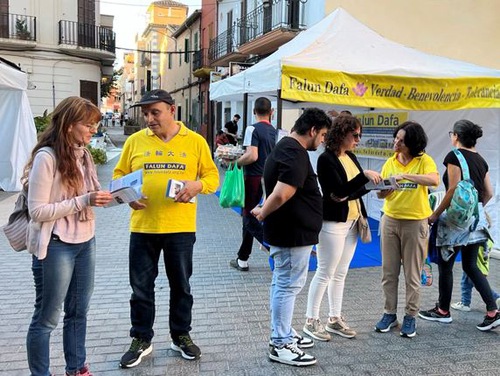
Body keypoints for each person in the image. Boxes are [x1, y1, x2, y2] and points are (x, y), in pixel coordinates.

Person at [113, 89, 219, 368]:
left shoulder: (195, 142)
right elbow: (119, 174)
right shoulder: (135, 142)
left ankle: (181, 335)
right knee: (141, 289)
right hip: (143, 227)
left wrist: (197, 185)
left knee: (181, 286)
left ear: (172, 110)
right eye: (145, 113)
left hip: (180, 227)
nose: (149, 118)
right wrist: (127, 195)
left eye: (154, 112)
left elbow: (211, 176)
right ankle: (141, 339)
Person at [24, 96, 113, 376]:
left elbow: (89, 195)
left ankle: (77, 369)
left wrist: (116, 195)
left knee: (78, 313)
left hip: (86, 241)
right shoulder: (46, 157)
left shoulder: (83, 154)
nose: (93, 131)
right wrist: (84, 200)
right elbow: (37, 211)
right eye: (88, 125)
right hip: (56, 245)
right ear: (69, 125)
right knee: (47, 318)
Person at [251, 108, 332, 367]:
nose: (322, 141)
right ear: (312, 131)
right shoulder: (293, 151)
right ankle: (280, 343)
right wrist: (263, 212)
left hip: (293, 232)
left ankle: (283, 332)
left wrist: (264, 208)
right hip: (291, 233)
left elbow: (276, 188)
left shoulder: (286, 148)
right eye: (322, 135)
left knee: (283, 284)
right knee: (287, 285)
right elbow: (283, 192)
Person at [303, 115, 382, 341]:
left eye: (360, 135)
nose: (358, 139)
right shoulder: (326, 159)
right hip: (333, 222)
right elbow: (336, 193)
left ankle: (334, 318)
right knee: (325, 271)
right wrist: (362, 178)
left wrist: (374, 184)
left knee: (340, 273)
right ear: (341, 134)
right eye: (355, 135)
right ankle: (311, 320)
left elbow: (353, 191)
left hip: (353, 221)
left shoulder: (351, 156)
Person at [419, 119, 500, 331]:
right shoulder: (481, 160)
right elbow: (489, 192)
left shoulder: (454, 156)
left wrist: (435, 215)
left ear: (456, 136)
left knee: (446, 266)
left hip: (454, 223)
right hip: (476, 222)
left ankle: (443, 311)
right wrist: (474, 209)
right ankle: (492, 311)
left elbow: (452, 189)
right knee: (471, 266)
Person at [374, 121, 439, 338]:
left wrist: (406, 176)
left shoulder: (424, 161)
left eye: (401, 140)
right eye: (396, 138)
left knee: (412, 274)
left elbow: (434, 180)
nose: (396, 142)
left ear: (412, 143)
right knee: (389, 273)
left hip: (415, 223)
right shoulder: (389, 162)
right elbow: (380, 194)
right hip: (390, 220)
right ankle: (389, 314)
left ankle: (410, 316)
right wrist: (387, 188)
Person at [229, 98, 276, 272]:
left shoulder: (252, 129)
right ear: (271, 112)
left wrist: (236, 162)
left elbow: (252, 155)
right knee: (250, 216)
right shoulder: (275, 132)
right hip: (270, 179)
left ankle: (275, 249)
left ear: (254, 112)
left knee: (249, 217)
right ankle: (242, 258)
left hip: (254, 177)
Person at [451, 239, 500, 312]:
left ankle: (496, 297)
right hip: (483, 267)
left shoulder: (476, 239)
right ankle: (465, 303)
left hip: (474, 267)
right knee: (469, 284)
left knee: (467, 283)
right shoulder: (487, 240)